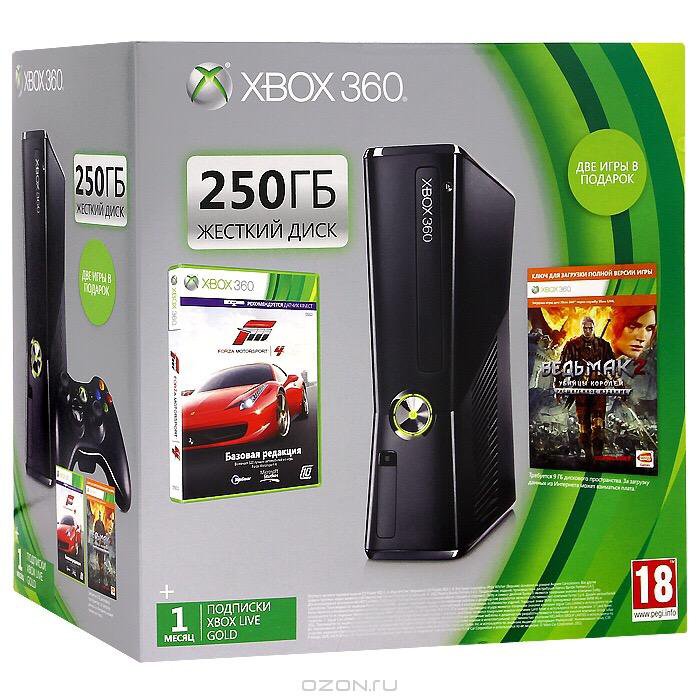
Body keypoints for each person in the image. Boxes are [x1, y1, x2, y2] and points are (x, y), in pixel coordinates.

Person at [558, 316, 615, 460]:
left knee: (598, 425)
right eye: (585, 328)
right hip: (581, 390)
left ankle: (598, 456)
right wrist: (558, 386)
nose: (588, 331)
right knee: (583, 426)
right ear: (582, 328)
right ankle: (588, 456)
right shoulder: (572, 345)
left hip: (598, 389)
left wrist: (617, 382)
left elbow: (613, 368)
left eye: (590, 328)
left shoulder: (604, 345)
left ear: (594, 328)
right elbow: (561, 367)